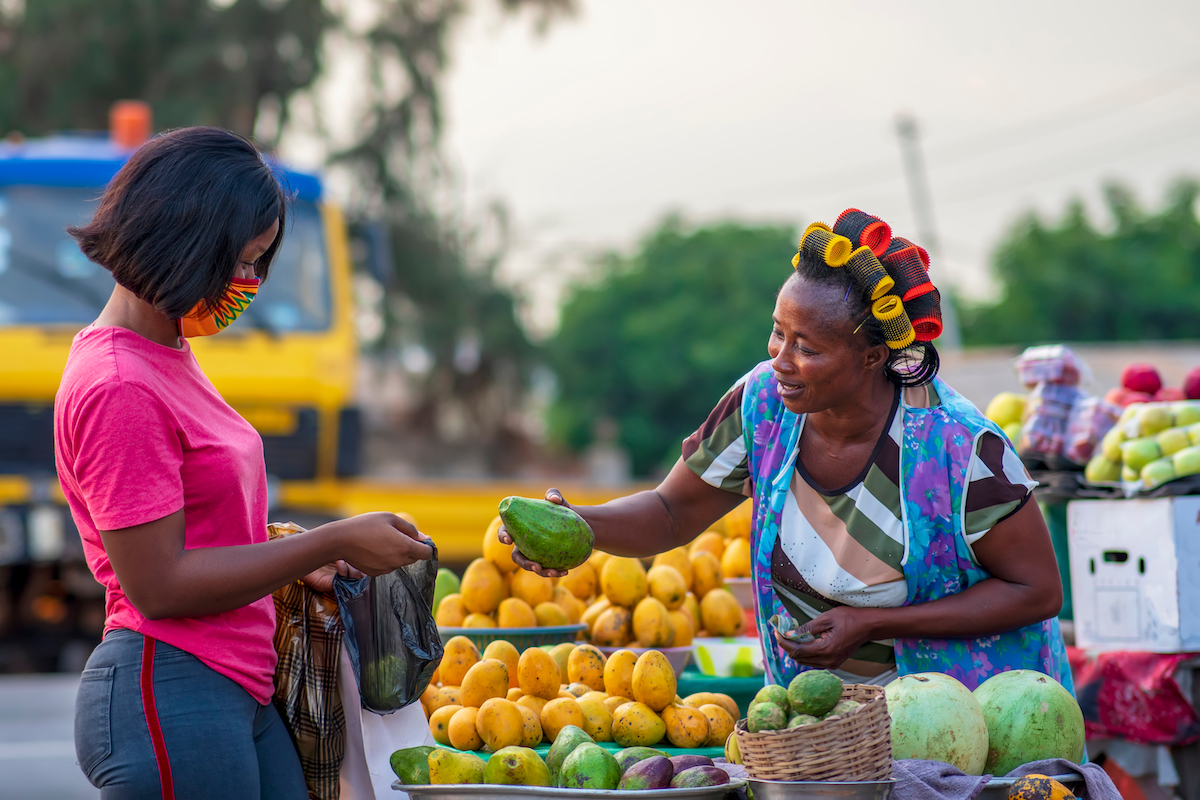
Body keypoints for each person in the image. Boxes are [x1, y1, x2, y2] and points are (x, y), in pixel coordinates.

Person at [502, 210, 1072, 693]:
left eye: (807, 347)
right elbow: (670, 512)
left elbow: (1037, 590)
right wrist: (579, 526)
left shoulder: (957, 448)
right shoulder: (763, 405)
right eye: (779, 333)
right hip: (830, 738)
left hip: (971, 734)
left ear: (874, 356)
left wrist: (875, 625)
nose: (780, 359)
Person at [54, 127, 433, 799]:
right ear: (184, 240)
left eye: (260, 262)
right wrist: (334, 538)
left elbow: (200, 529)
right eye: (244, 259)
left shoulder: (166, 355)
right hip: (172, 687)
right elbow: (159, 585)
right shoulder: (120, 385)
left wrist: (294, 552)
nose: (250, 282)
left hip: (236, 681)